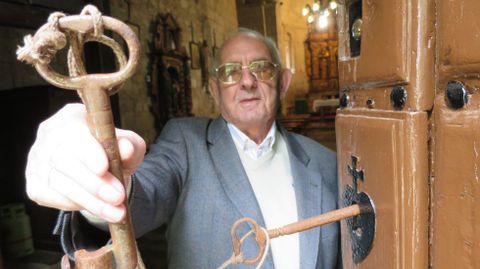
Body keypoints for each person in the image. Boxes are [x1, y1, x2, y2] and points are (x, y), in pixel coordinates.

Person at [25, 28, 340, 268]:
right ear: (215, 90)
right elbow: (143, 194)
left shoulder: (326, 162)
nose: (247, 81)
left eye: (261, 68)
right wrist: (94, 185)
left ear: (283, 81)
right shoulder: (185, 143)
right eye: (230, 72)